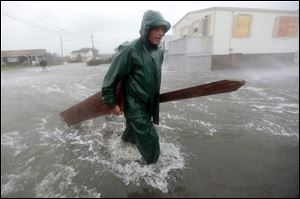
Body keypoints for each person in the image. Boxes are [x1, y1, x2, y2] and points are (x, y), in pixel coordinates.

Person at [101, 10, 171, 165]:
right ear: (146, 28)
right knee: (151, 141)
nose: (160, 33)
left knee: (132, 135)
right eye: (156, 29)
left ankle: (121, 149)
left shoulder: (159, 52)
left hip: (149, 103)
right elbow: (110, 80)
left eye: (163, 30)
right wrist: (112, 103)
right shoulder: (130, 50)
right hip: (134, 104)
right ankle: (152, 172)